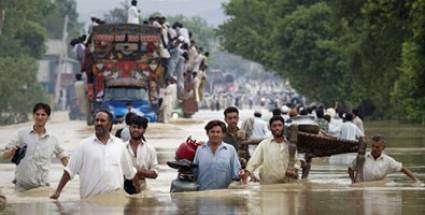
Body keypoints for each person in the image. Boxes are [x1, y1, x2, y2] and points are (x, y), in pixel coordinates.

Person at [50, 110, 141, 199]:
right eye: (97, 120)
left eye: (102, 120)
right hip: (90, 202)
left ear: (110, 124)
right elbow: (69, 171)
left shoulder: (119, 145)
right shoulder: (83, 146)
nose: (98, 123)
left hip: (115, 205)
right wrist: (58, 192)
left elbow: (130, 173)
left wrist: (139, 195)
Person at [2, 103, 68, 191]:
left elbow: (64, 159)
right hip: (22, 189)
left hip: (42, 189)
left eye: (43, 115)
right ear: (33, 116)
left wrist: (77, 172)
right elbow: (4, 156)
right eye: (37, 114)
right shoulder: (21, 134)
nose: (40, 117)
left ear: (47, 118)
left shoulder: (53, 139)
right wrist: (11, 152)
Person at [241, 116, 298, 184]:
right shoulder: (264, 144)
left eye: (280, 125)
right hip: (268, 186)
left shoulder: (291, 146)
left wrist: (294, 169)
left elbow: (297, 161)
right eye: (274, 126)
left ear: (283, 127)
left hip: (288, 185)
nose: (277, 128)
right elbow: (254, 161)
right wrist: (246, 174)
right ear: (270, 128)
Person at [348, 135, 422, 183]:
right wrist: (352, 180)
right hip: (362, 185)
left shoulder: (388, 160)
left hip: (378, 186)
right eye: (373, 146)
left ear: (383, 148)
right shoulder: (362, 158)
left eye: (377, 147)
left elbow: (403, 169)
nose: (374, 149)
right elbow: (350, 168)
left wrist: (416, 180)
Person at [193, 120, 243, 190]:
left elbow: (236, 174)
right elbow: (194, 173)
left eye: (218, 132)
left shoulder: (230, 150)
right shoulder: (200, 149)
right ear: (207, 133)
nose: (215, 134)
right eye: (212, 132)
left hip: (224, 196)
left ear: (223, 134)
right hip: (203, 195)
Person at [124, 115, 158, 194]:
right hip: (122, 189)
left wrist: (136, 172)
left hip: (143, 190)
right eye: (133, 127)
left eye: (139, 128)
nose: (136, 130)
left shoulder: (150, 149)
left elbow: (155, 173)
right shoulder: (121, 147)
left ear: (144, 130)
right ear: (129, 128)